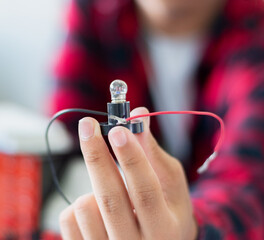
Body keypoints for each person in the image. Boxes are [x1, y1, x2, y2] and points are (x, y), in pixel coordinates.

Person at [49, 0, 264, 239]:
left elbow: (251, 184)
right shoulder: (93, 12)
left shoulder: (256, 29)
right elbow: (59, 154)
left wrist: (191, 227)